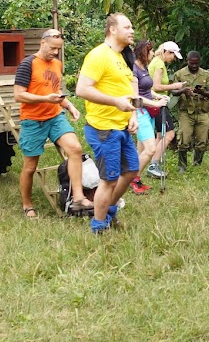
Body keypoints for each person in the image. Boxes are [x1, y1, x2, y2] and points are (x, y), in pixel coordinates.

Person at [13, 28, 92, 218]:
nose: (56, 53)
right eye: (53, 48)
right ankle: (27, 205)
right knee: (30, 167)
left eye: (58, 49)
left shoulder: (57, 64)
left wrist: (69, 105)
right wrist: (46, 99)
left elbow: (55, 91)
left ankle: (79, 197)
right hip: (33, 121)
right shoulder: (28, 64)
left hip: (55, 117)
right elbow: (18, 95)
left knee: (75, 149)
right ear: (43, 43)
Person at [76, 13, 140, 234]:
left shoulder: (122, 57)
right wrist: (115, 102)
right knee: (109, 179)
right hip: (104, 128)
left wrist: (132, 115)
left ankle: (108, 210)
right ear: (113, 29)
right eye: (127, 27)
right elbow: (82, 90)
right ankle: (99, 226)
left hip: (121, 126)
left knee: (131, 170)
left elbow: (127, 91)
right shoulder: (98, 55)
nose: (132, 31)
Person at [129, 39, 170, 193]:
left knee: (141, 150)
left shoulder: (144, 67)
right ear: (144, 52)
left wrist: (158, 97)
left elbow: (146, 90)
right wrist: (156, 104)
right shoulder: (133, 70)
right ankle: (131, 178)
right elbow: (135, 97)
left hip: (148, 112)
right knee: (151, 149)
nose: (153, 53)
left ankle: (137, 180)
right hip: (140, 112)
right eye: (151, 50)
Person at [147, 41, 185, 179]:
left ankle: (153, 163)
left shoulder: (156, 61)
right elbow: (156, 86)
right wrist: (175, 86)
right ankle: (153, 165)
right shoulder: (159, 65)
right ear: (166, 52)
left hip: (154, 103)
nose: (173, 59)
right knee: (169, 134)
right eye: (173, 55)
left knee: (160, 135)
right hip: (158, 103)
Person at [172, 51, 209, 172]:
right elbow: (173, 91)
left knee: (202, 140)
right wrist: (183, 91)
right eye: (192, 63)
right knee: (184, 139)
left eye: (196, 63)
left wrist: (202, 92)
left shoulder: (205, 74)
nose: (194, 65)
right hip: (186, 111)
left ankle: (197, 163)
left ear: (199, 62)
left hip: (202, 111)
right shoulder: (180, 74)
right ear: (187, 61)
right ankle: (182, 166)